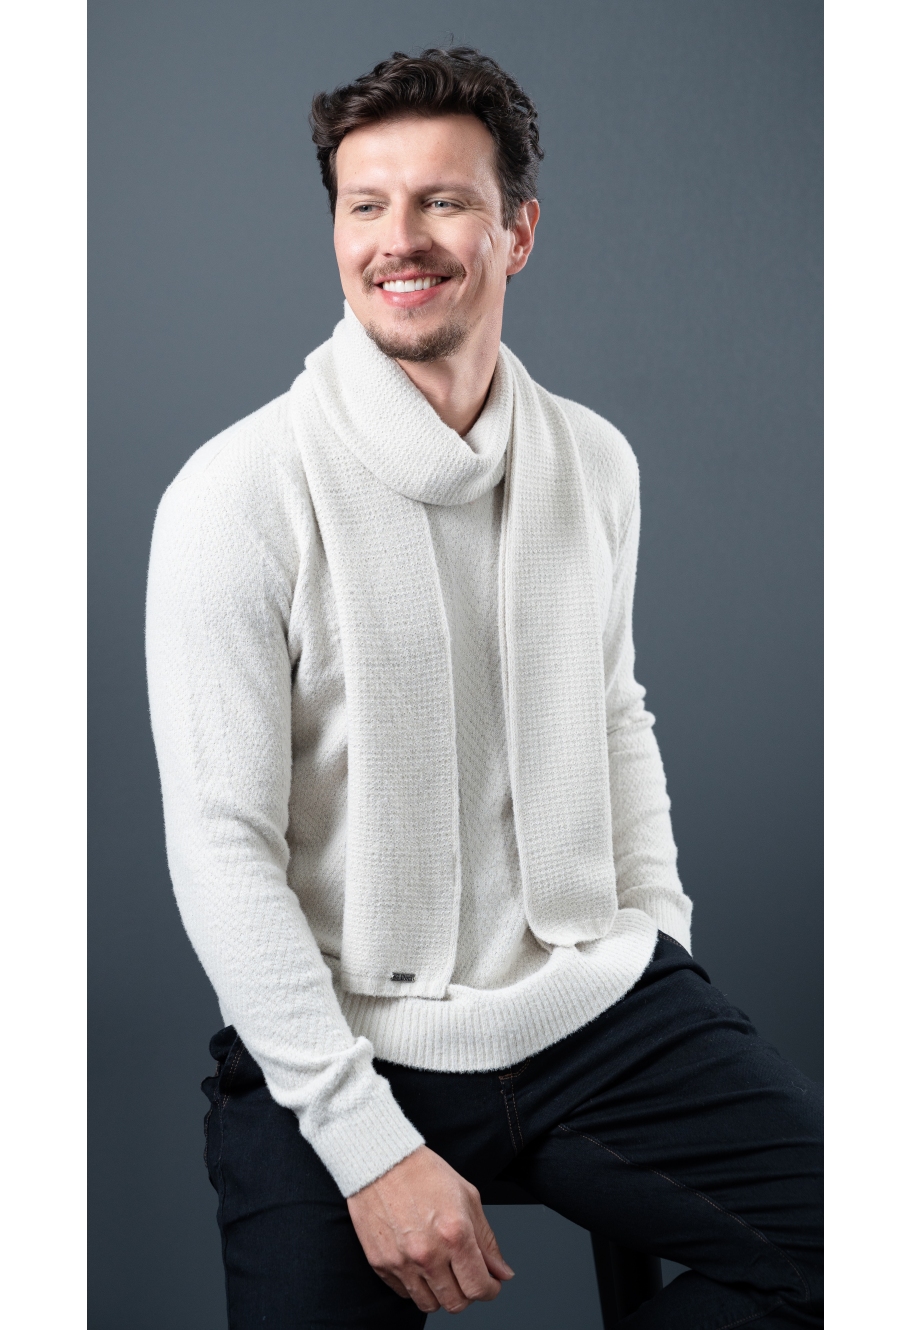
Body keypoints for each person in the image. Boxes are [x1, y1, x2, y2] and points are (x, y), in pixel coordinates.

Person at [146, 47, 822, 1328]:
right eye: (365, 205)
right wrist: (363, 1143)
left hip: (595, 1013)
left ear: (517, 232)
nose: (398, 239)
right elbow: (220, 846)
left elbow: (613, 713)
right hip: (340, 1036)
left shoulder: (596, 464)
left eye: (442, 201)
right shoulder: (234, 495)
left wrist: (658, 939)